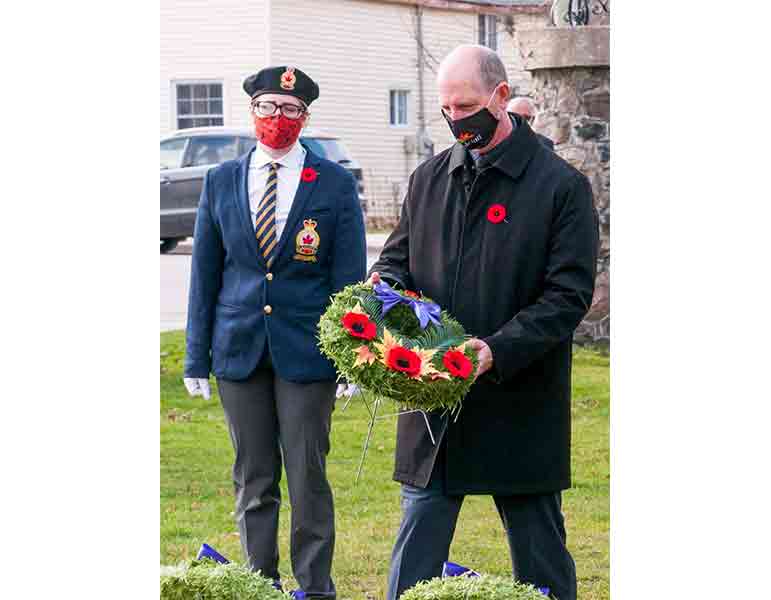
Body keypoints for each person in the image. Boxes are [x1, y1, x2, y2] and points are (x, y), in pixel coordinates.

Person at [369, 45, 598, 600]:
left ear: (501, 96)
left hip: (519, 398)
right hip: (434, 399)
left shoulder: (561, 187)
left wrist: (497, 349)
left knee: (539, 556)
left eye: (467, 107)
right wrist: (379, 295)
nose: (456, 120)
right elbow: (395, 264)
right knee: (416, 549)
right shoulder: (428, 179)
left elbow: (567, 297)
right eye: (446, 109)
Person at [182, 65, 366, 599]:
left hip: (308, 352)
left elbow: (348, 279)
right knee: (254, 476)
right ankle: (260, 584)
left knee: (308, 476)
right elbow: (204, 275)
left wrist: (352, 357)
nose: (276, 117)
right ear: (252, 111)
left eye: (289, 109)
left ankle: (315, 587)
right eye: (267, 107)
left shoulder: (333, 183)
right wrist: (196, 356)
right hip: (238, 349)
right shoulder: (221, 180)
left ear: (304, 117)